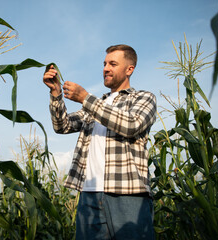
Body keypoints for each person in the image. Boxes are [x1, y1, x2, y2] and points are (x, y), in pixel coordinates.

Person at [43, 44, 157, 240]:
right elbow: (62, 126)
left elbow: (131, 125)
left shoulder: (144, 98)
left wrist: (85, 98)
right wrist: (56, 93)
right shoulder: (96, 106)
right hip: (89, 195)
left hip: (127, 193)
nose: (106, 68)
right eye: (105, 64)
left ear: (129, 69)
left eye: (113, 64)